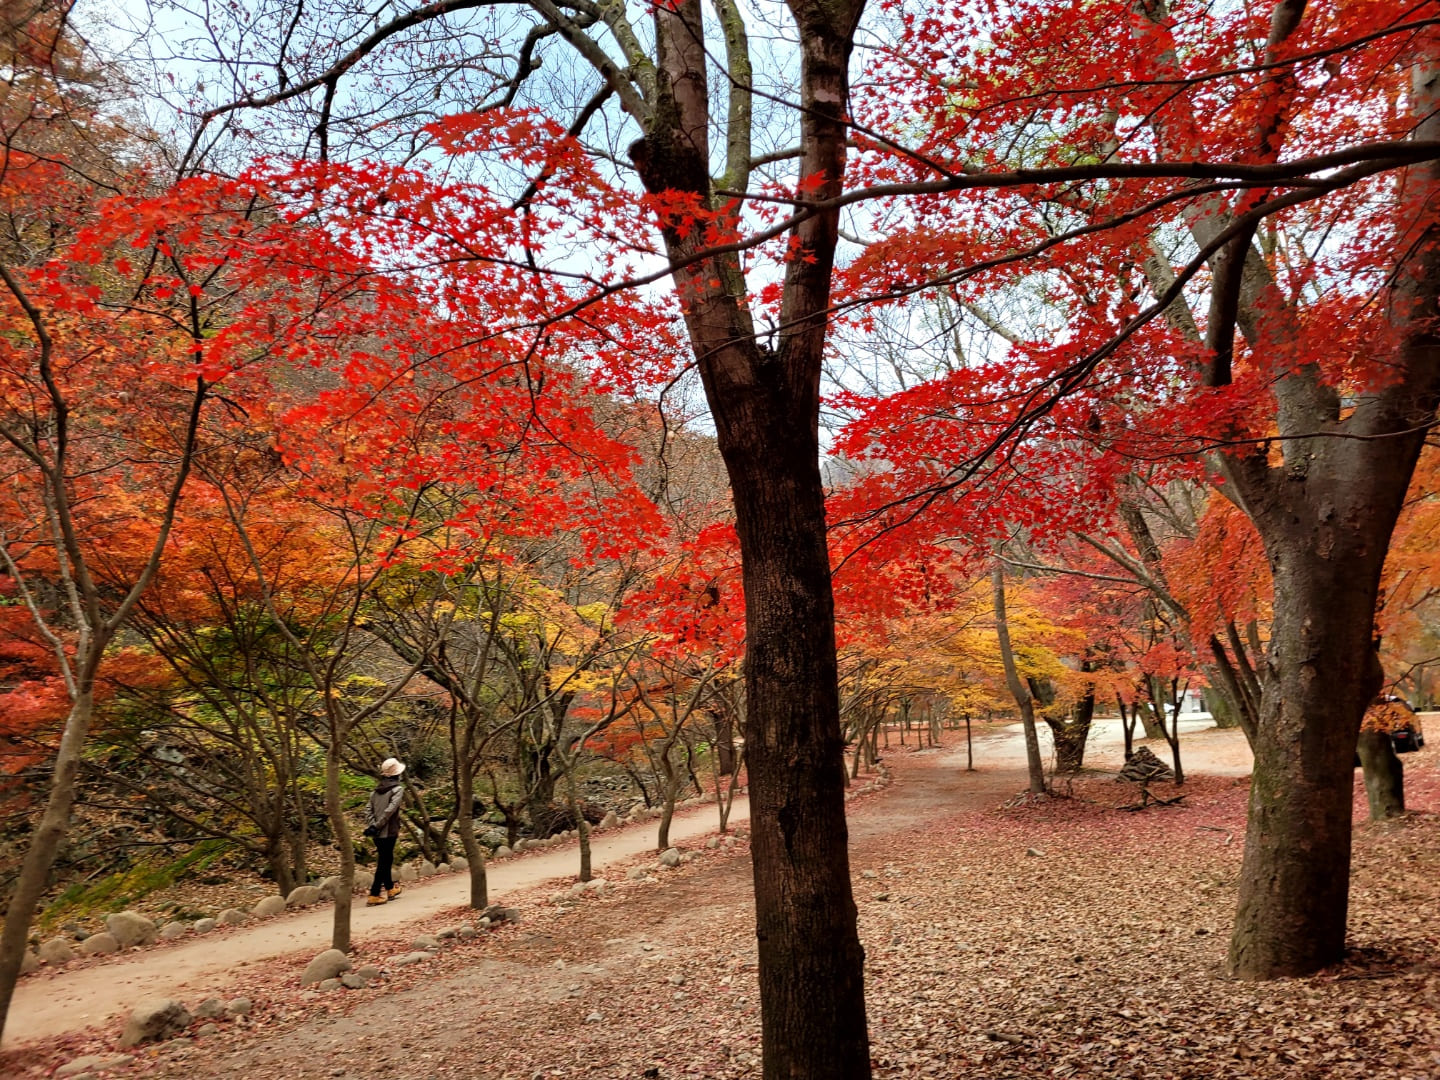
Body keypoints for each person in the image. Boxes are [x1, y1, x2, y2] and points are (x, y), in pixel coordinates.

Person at [366, 758, 406, 906]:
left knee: (386, 858)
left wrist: (372, 826)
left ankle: (390, 889)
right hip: (388, 832)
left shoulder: (374, 792)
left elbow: (368, 809)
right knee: (384, 861)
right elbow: (390, 810)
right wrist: (377, 825)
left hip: (376, 833)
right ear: (397, 775)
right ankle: (374, 893)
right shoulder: (398, 790)